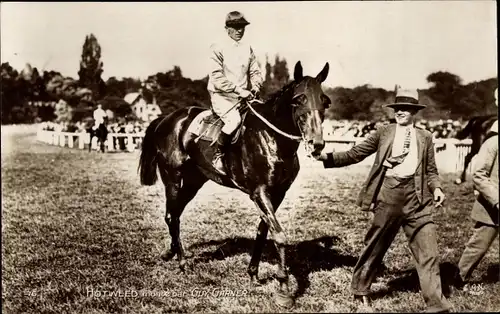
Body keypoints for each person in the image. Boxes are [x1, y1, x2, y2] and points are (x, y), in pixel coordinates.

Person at [317, 88, 452, 312]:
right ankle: (360, 290)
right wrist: (326, 157)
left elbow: (431, 170)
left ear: (413, 112)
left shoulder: (425, 137)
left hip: (418, 199)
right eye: (397, 108)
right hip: (388, 194)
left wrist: (437, 188)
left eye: (405, 109)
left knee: (429, 251)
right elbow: (355, 153)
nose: (400, 112)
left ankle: (436, 304)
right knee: (376, 246)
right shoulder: (383, 132)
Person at [207, 11, 263, 175]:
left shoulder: (248, 48)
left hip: (244, 97)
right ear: (227, 28)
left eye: (242, 27)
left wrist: (256, 86)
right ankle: (218, 155)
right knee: (234, 121)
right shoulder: (217, 47)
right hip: (221, 96)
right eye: (236, 27)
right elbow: (216, 77)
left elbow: (255, 72)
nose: (240, 30)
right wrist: (239, 90)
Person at [456, 87, 498, 291]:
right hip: (493, 205)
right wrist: (497, 200)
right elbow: (479, 176)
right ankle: (459, 278)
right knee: (479, 245)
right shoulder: (493, 141)